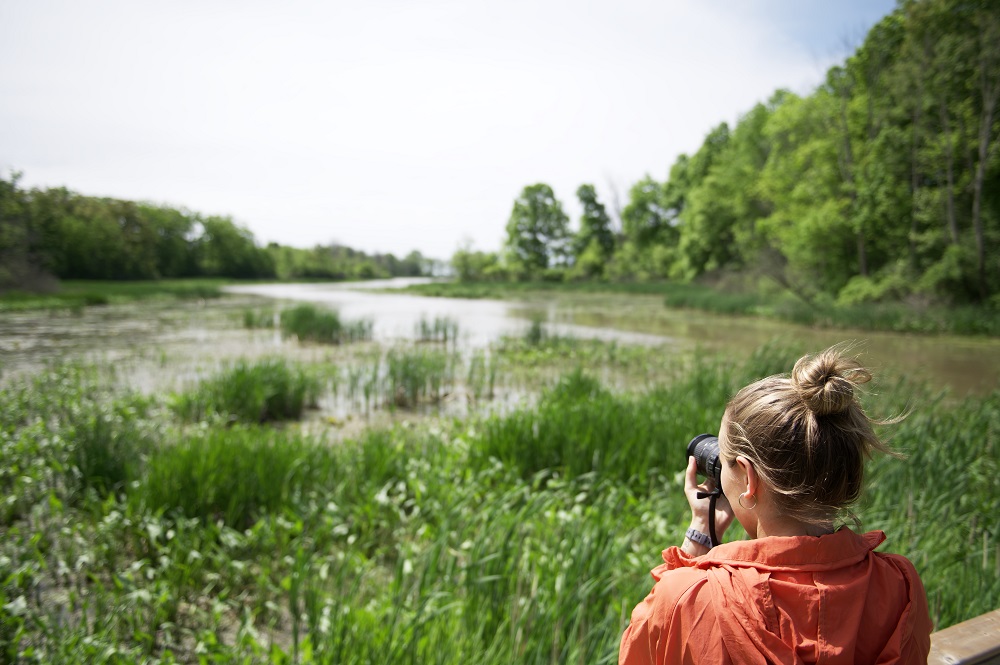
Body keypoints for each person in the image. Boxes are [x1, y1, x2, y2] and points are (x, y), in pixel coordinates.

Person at [619, 345, 932, 665]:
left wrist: (698, 535)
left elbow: (642, 651)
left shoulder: (689, 600)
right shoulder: (899, 586)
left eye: (725, 463)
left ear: (749, 479)